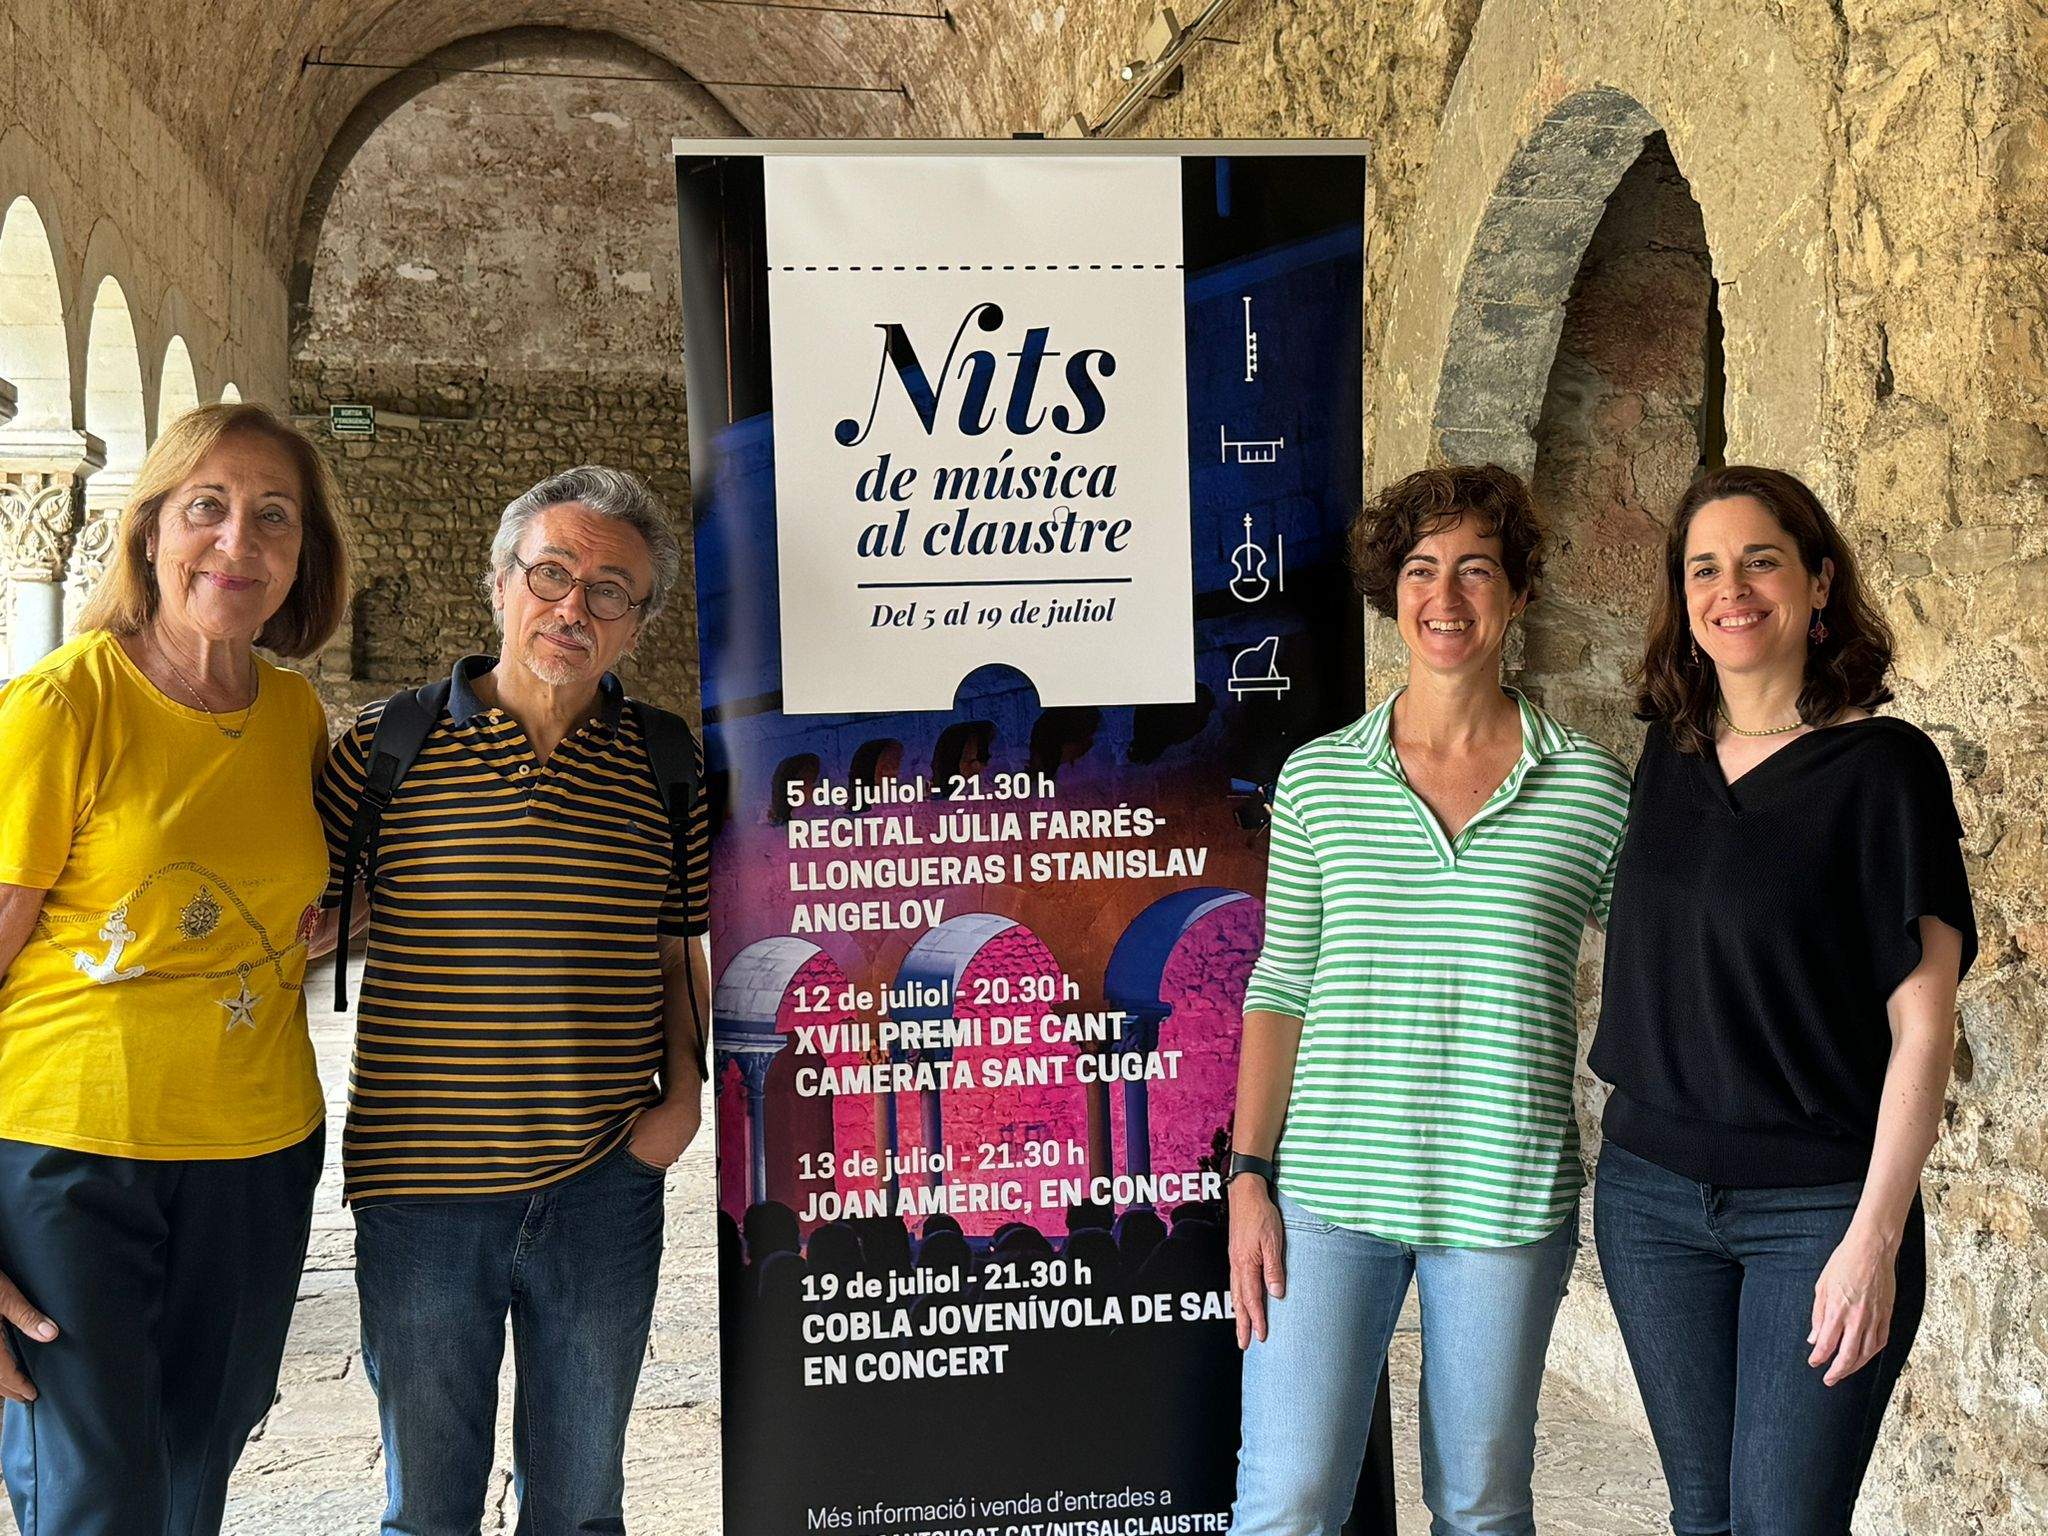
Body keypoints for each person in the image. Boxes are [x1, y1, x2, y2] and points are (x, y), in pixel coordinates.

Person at [1227, 465, 1632, 1536]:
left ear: (1517, 594)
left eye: (1473, 570)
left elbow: (1665, 960)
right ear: (1388, 591)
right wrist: (1248, 1175)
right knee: (1286, 1500)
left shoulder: (1588, 788)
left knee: (1479, 1506)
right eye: (1418, 570)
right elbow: (1279, 985)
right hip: (1324, 1196)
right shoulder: (1318, 780)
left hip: (1502, 1200)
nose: (1443, 597)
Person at [314, 465, 711, 1536]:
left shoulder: (667, 764)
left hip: (602, 1185)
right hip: (421, 1188)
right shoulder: (382, 750)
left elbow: (679, 945)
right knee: (428, 1508)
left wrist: (682, 1100)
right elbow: (301, 912)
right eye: (551, 573)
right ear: (500, 585)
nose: (574, 606)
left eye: (610, 590)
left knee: (581, 1507)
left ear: (642, 621)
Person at [1589, 465, 1975, 1536]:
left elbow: (1921, 1025)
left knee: (1780, 1524)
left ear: (1814, 583)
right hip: (1647, 1199)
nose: (1731, 588)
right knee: (1703, 1518)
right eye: (1702, 567)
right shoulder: (1663, 758)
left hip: (1815, 1209)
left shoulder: (1882, 771)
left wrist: (1873, 1239)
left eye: (1760, 559)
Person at [0, 401, 351, 1536]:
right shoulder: (61, 708)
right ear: (150, 530)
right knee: (99, 1500)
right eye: (208, 508)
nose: (237, 544)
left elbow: (277, 911)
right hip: (72, 1159)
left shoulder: (296, 714)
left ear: (304, 559)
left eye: (273, 519)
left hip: (254, 1156)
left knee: (195, 1473)